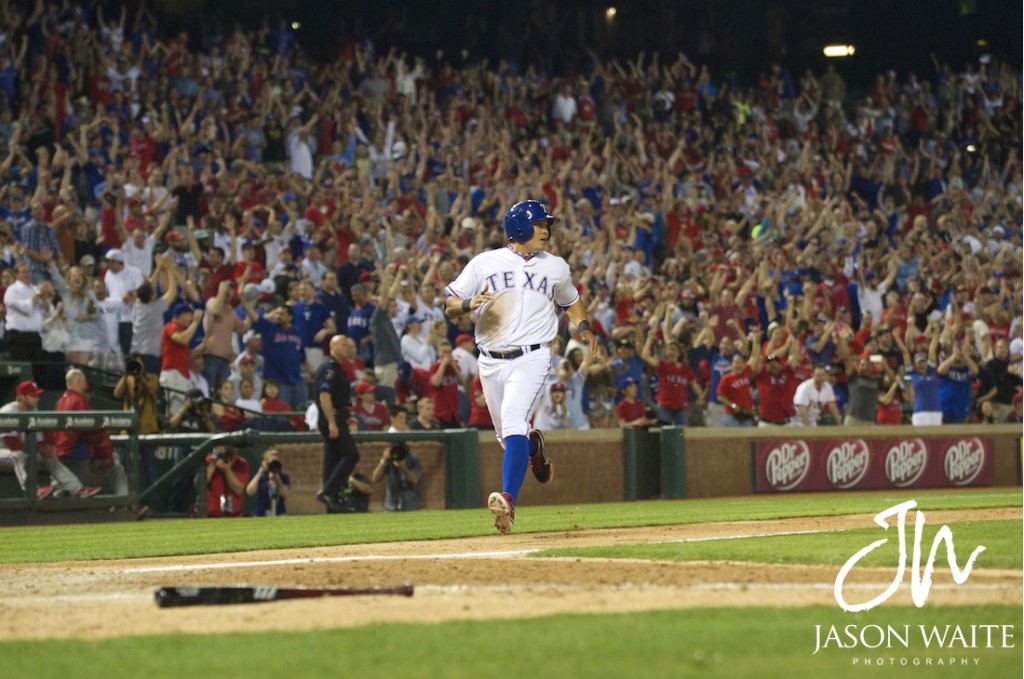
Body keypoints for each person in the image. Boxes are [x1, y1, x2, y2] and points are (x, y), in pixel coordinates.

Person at [444, 200, 598, 534]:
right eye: (540, 224)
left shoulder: (555, 266)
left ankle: (508, 501)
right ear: (520, 228)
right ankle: (533, 449)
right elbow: (450, 305)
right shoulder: (485, 262)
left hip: (534, 355)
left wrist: (583, 327)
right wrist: (469, 303)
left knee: (514, 420)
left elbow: (571, 302)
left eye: (546, 225)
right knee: (507, 437)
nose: (546, 230)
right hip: (490, 360)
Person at [0, 380, 99, 499]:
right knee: (17, 455)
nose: (37, 398)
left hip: (20, 452)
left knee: (50, 458)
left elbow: (40, 440)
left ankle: (78, 490)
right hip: (4, 452)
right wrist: (38, 449)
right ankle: (32, 489)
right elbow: (13, 444)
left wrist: (46, 450)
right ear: (21, 397)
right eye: (33, 395)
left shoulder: (33, 411)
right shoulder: (7, 412)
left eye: (37, 395)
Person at [54, 369, 128, 496]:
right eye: (83, 383)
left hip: (60, 458)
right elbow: (92, 433)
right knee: (116, 470)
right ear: (78, 382)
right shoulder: (78, 401)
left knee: (63, 491)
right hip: (78, 459)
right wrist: (105, 455)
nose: (85, 387)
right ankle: (123, 507)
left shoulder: (60, 401)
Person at [312, 335, 361, 513]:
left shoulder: (338, 368)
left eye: (349, 345)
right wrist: (332, 423)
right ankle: (328, 491)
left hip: (337, 418)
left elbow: (338, 398)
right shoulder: (329, 368)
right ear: (332, 348)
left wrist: (346, 417)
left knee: (331, 460)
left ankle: (332, 504)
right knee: (351, 455)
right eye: (343, 345)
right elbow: (325, 396)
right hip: (331, 420)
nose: (348, 348)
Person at [159, 303, 203, 415]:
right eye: (189, 314)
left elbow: (186, 356)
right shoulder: (171, 326)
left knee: (184, 408)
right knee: (175, 407)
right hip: (173, 372)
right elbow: (181, 339)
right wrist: (196, 322)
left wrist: (203, 346)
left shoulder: (184, 330)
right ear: (181, 315)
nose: (191, 317)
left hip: (182, 374)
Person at [370, 441, 422, 512]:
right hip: (390, 504)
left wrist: (402, 467)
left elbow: (414, 480)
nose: (397, 453)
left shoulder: (412, 459)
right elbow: (375, 479)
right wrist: (383, 460)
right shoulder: (389, 460)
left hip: (410, 504)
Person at [205, 445, 249, 518]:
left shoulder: (241, 464)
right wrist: (213, 464)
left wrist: (227, 470)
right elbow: (200, 485)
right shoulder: (209, 461)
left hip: (234, 516)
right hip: (210, 516)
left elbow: (238, 489)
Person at [245, 448, 290, 517]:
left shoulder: (283, 477)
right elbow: (250, 491)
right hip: (260, 512)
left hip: (279, 512)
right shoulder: (261, 477)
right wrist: (260, 472)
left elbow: (285, 495)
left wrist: (278, 480)